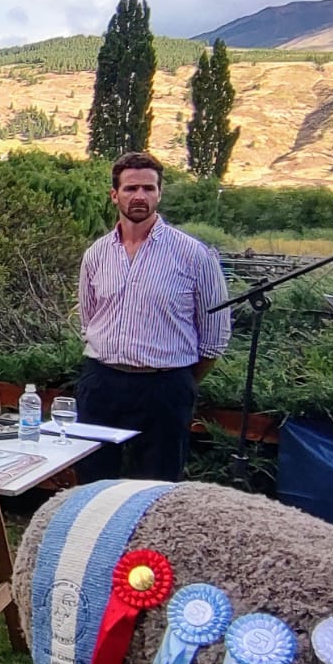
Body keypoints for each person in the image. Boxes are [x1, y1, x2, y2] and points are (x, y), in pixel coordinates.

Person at [74, 152, 231, 482]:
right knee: (91, 482)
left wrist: (177, 380)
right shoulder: (96, 254)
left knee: (156, 489)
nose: (140, 196)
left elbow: (214, 338)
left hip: (165, 387)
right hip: (102, 383)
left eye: (148, 188)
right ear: (115, 195)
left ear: (160, 193)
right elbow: (89, 320)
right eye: (131, 189)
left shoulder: (193, 255)